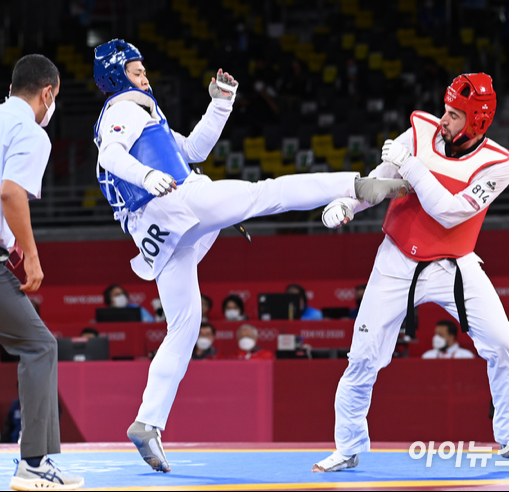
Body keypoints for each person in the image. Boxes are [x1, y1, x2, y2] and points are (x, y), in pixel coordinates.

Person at [92, 38, 407, 473]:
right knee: (267, 193)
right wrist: (148, 175)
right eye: (134, 70)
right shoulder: (122, 108)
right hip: (175, 202)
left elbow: (193, 152)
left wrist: (220, 105)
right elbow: (110, 155)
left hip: (158, 229)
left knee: (184, 325)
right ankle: (355, 186)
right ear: (114, 76)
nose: (144, 76)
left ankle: (147, 421)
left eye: (143, 69)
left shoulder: (147, 115)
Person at [315, 73, 509, 472]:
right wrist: (346, 206)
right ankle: (348, 447)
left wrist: (414, 168)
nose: (444, 119)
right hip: (397, 259)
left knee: (503, 345)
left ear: (477, 121)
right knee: (363, 358)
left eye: (455, 115)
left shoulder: (497, 165)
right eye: (446, 109)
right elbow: (380, 182)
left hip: (455, 265)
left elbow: (451, 212)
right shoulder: (417, 133)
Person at [0, 54, 84, 490]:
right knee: (40, 347)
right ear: (47, 93)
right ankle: (33, 465)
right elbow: (11, 192)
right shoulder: (31, 133)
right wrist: (30, 255)